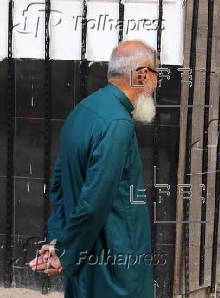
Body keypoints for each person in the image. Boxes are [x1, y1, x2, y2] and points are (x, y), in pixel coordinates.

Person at [29, 40, 158, 297]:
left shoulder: (84, 109)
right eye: (156, 74)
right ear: (142, 75)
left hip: (88, 263)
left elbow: (58, 185)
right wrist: (64, 253)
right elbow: (95, 200)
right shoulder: (117, 123)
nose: (156, 83)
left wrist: (58, 241)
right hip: (115, 267)